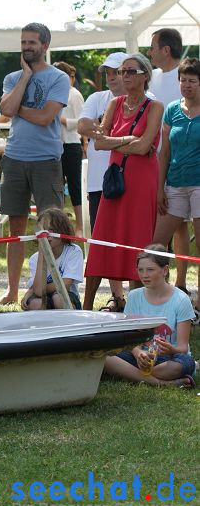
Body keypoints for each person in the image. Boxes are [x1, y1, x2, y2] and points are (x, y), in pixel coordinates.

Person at [0, 23, 70, 306]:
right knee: (16, 228)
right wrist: (25, 76)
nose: (26, 46)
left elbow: (44, 118)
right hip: (14, 158)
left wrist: (17, 109)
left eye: (32, 42)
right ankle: (12, 290)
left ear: (45, 46)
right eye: (23, 42)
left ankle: (51, 288)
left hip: (46, 160)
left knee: (51, 227)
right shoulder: (13, 77)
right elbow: (4, 110)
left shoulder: (59, 78)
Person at [84, 54, 163, 301]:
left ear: (145, 75)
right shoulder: (114, 104)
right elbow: (99, 143)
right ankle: (86, 306)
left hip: (142, 183)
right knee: (102, 239)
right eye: (122, 71)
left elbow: (144, 147)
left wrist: (115, 143)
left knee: (137, 240)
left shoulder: (155, 107)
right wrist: (128, 140)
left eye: (130, 71)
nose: (124, 76)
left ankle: (136, 307)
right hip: (115, 182)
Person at [76, 52, 134, 311]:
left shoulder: (147, 101)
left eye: (116, 71)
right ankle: (116, 296)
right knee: (101, 243)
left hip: (132, 180)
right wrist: (111, 132)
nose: (111, 77)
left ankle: (139, 298)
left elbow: (140, 138)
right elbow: (82, 125)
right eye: (107, 72)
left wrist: (103, 132)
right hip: (99, 182)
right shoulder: (97, 97)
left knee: (132, 240)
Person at [103, 245, 195, 388]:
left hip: (169, 359)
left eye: (150, 270)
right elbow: (130, 340)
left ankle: (134, 374)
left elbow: (183, 348)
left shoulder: (181, 300)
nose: (144, 275)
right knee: (105, 358)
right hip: (141, 357)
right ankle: (162, 383)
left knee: (186, 363)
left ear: (165, 270)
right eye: (140, 270)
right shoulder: (134, 296)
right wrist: (138, 353)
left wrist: (171, 350)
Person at [147, 28, 193, 299]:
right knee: (162, 222)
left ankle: (181, 281)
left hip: (180, 163)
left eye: (152, 47)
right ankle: (156, 280)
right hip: (154, 159)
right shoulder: (150, 77)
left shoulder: (187, 76)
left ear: (166, 49)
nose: (149, 53)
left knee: (180, 224)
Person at [152, 58, 200, 309]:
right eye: (183, 80)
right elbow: (164, 152)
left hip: (199, 185)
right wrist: (159, 188)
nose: (187, 85)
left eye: (192, 80)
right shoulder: (172, 109)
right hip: (175, 184)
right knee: (156, 244)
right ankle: (160, 295)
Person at [21, 208, 83, 310]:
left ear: (62, 230)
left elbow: (64, 285)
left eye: (52, 230)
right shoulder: (34, 258)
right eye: (43, 230)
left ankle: (68, 324)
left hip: (66, 296)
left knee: (58, 298)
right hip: (43, 297)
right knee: (36, 303)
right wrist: (42, 253)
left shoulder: (73, 252)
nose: (46, 235)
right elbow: (37, 290)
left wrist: (38, 290)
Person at [52, 61, 86, 237]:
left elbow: (83, 122)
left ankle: (80, 226)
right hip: (55, 145)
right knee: (57, 187)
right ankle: (59, 225)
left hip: (71, 145)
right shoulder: (53, 94)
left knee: (74, 186)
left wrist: (64, 121)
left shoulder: (74, 95)